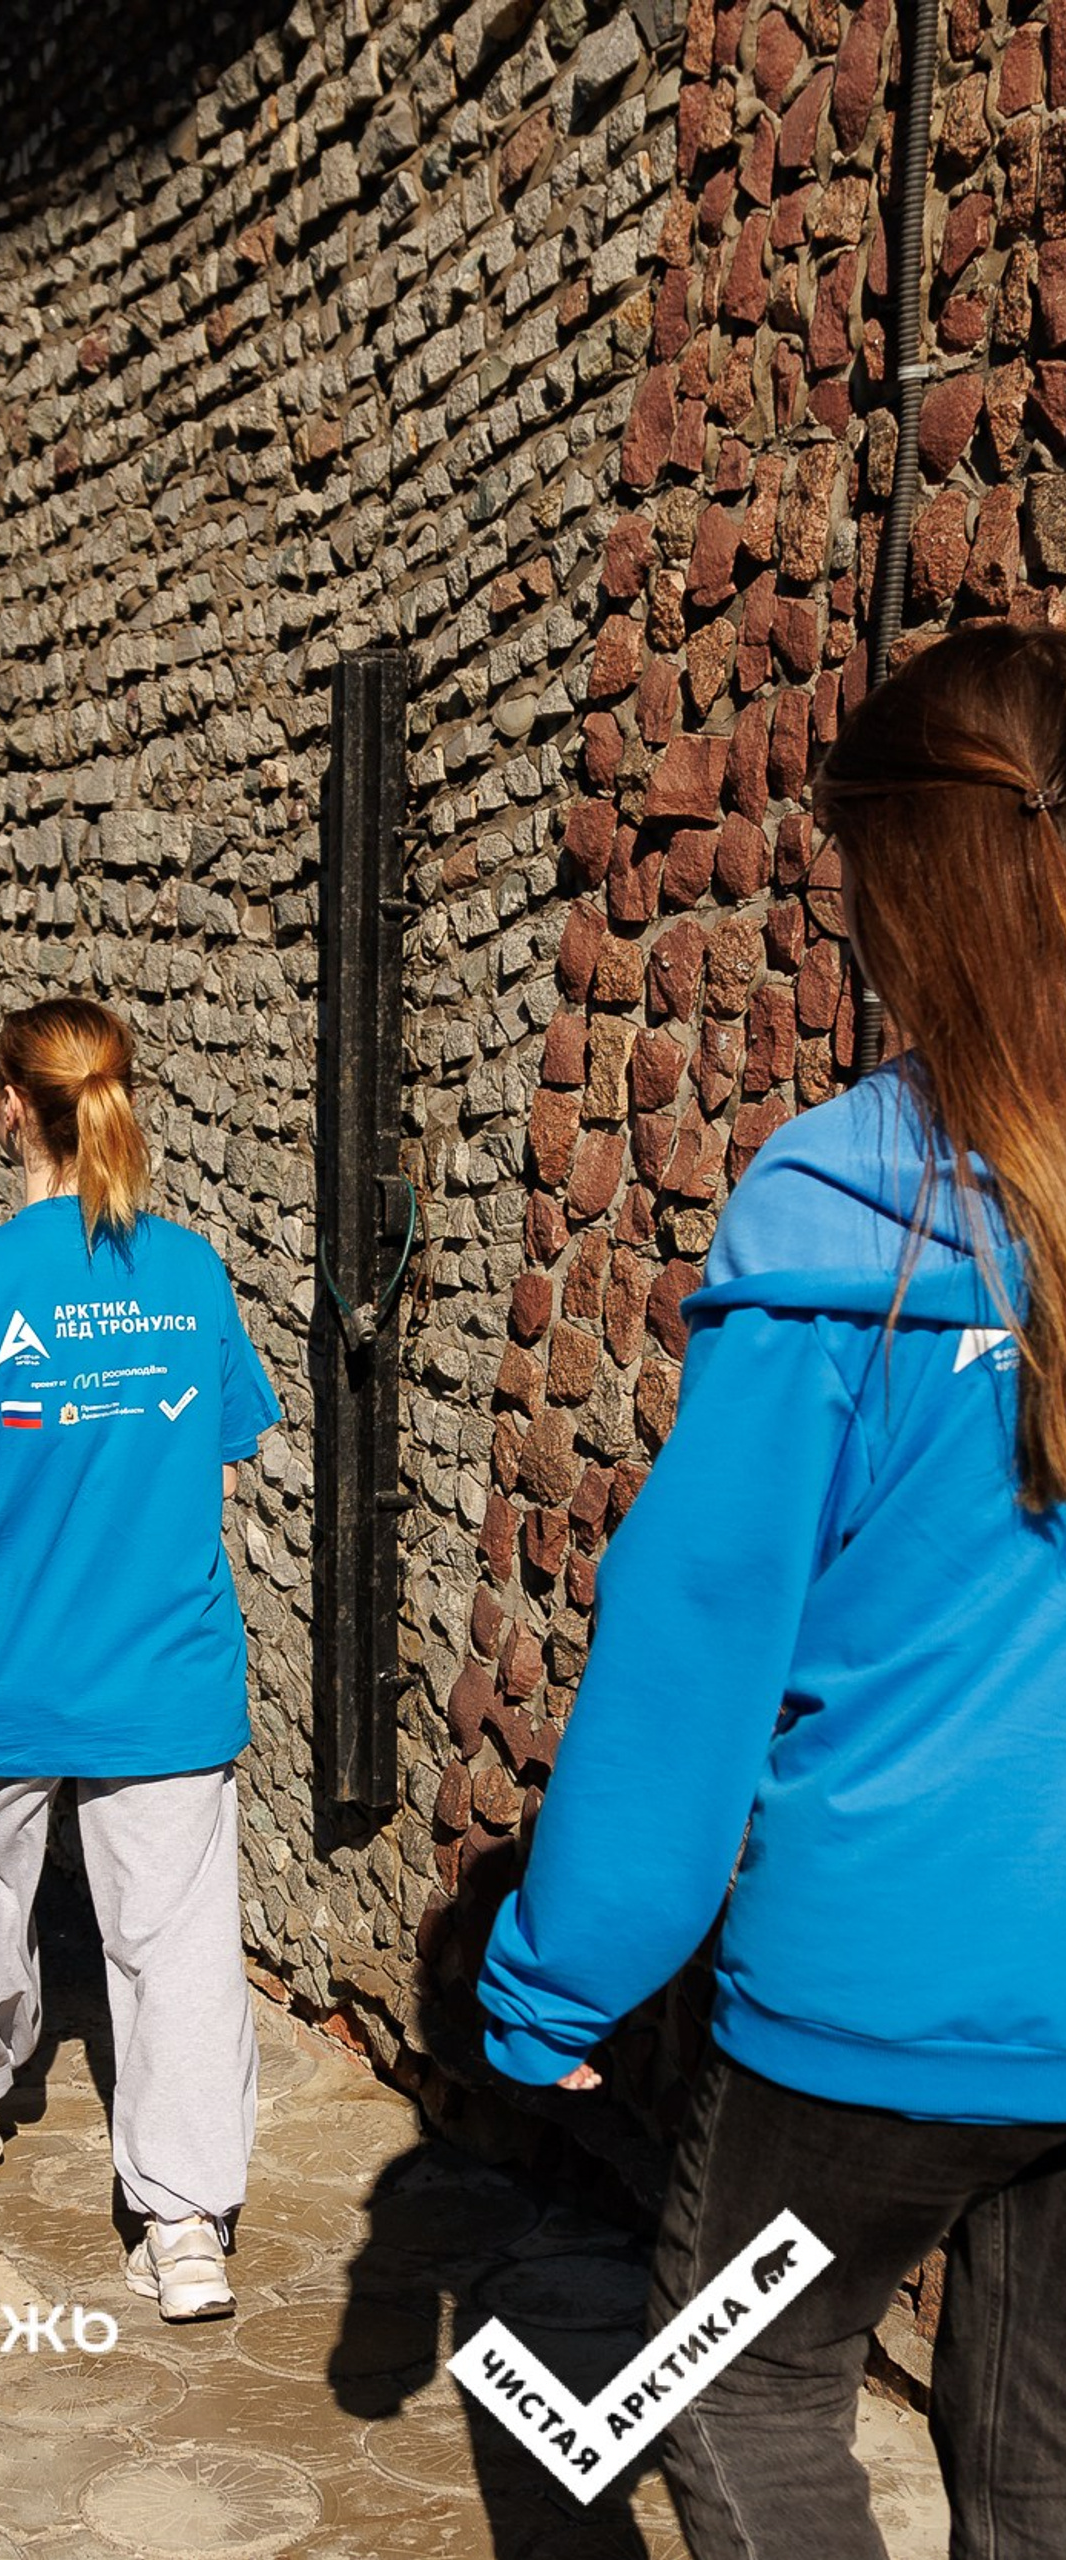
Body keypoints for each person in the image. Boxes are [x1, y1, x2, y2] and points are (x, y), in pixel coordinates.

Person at [477, 625, 1066, 2559]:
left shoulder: (843, 1218)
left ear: (910, 879)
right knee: (1044, 2468)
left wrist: (561, 1972)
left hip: (871, 2005)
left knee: (735, 2382)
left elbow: (693, 1642)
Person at [0, 996, 280, 2323]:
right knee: (176, 1947)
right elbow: (233, 1437)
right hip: (163, 1662)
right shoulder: (187, 1269)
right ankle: (184, 2229)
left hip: (12, 1658)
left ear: (11, 1104)